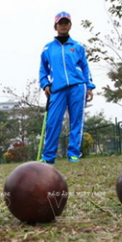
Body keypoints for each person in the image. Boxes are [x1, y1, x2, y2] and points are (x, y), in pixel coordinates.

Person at [39, 11, 95, 164]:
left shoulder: (77, 47)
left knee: (76, 121)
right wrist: (45, 84)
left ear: (70, 25)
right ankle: (48, 157)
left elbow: (85, 67)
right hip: (57, 88)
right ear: (55, 26)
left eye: (66, 23)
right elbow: (43, 71)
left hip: (78, 86)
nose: (63, 26)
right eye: (60, 23)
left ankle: (74, 154)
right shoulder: (47, 49)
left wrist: (89, 86)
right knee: (52, 122)